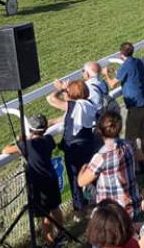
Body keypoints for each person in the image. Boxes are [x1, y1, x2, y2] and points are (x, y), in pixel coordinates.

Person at [0, 114, 65, 247]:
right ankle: (61, 234)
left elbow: (5, 150)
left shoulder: (28, 145)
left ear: (29, 129)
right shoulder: (48, 139)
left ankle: (50, 242)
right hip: (51, 178)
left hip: (40, 183)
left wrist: (19, 139)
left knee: (45, 215)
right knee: (55, 207)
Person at [47, 79, 99, 212]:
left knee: (75, 178)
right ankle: (97, 199)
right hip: (88, 143)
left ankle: (80, 208)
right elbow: (69, 115)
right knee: (90, 173)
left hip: (75, 149)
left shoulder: (76, 106)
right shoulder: (90, 104)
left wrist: (62, 89)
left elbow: (51, 99)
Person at [78, 111, 140, 218]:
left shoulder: (101, 156)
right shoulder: (128, 144)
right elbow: (140, 157)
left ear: (100, 131)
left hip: (113, 213)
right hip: (133, 205)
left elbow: (81, 182)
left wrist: (83, 168)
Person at [104, 42, 144, 172]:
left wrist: (106, 74)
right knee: (142, 134)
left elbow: (112, 84)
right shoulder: (137, 61)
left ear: (121, 54)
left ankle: (136, 167)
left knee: (129, 139)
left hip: (135, 106)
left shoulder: (126, 65)